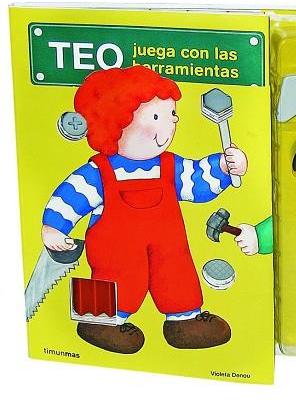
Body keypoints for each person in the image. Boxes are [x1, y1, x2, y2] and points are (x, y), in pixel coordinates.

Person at [41, 66, 247, 354]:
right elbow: (71, 196)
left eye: (171, 115)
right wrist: (54, 226)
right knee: (115, 275)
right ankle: (98, 321)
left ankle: (185, 319)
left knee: (176, 273)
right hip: (116, 249)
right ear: (116, 125)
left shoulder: (171, 166)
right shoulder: (99, 172)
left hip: (168, 245)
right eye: (156, 117)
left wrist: (224, 167)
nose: (171, 124)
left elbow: (197, 182)